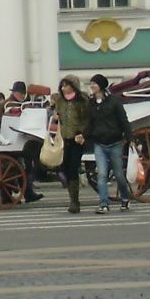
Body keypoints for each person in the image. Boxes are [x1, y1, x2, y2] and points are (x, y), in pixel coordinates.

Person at [84, 73, 132, 214]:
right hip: (99, 143)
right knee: (102, 174)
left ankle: (124, 197)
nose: (92, 86)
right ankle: (104, 203)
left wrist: (130, 138)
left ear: (101, 86)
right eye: (91, 83)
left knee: (118, 175)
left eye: (95, 83)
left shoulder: (114, 102)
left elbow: (124, 120)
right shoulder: (91, 103)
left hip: (115, 142)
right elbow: (90, 123)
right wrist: (83, 135)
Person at [54, 74, 89, 214]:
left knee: (73, 167)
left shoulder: (82, 101)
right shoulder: (60, 102)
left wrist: (81, 133)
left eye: (66, 85)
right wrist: (56, 118)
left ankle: (75, 202)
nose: (63, 88)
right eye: (62, 86)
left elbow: (86, 119)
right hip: (65, 138)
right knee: (66, 168)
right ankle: (72, 197)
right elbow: (59, 117)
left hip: (78, 139)